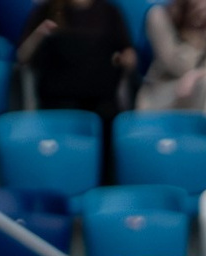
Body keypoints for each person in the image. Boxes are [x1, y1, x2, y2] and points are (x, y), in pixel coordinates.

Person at [18, 0, 138, 155]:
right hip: (58, 103)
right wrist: (40, 33)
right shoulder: (47, 10)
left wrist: (125, 59)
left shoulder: (109, 11)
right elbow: (23, 56)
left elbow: (129, 55)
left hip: (101, 103)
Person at [138, 0, 206, 133]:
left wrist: (197, 74)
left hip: (204, 88)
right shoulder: (158, 15)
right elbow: (179, 66)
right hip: (166, 93)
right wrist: (197, 29)